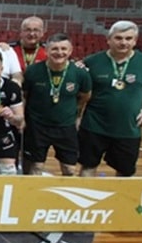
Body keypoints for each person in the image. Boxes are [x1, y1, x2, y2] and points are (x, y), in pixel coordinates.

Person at [78, 20, 142, 177]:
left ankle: (121, 202)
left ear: (135, 41)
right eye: (119, 38)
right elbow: (79, 89)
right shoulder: (92, 61)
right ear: (109, 39)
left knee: (125, 172)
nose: (123, 42)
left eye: (128, 39)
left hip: (128, 129)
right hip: (93, 126)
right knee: (87, 168)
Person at [22, 34, 92, 176]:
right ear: (46, 51)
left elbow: (85, 96)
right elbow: (24, 96)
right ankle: (30, 195)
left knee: (69, 169)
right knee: (35, 167)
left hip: (66, 126)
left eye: (63, 49)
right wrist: (23, 119)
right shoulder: (33, 71)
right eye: (54, 49)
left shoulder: (80, 73)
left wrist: (77, 115)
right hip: (37, 126)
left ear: (70, 50)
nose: (59, 52)